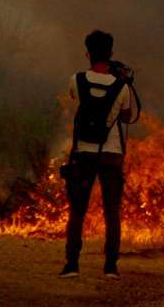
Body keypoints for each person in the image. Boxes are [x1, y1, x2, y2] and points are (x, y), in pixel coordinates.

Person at [58, 29, 139, 279]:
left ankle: (72, 265)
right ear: (111, 54)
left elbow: (75, 103)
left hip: (83, 152)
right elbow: (127, 117)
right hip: (111, 153)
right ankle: (110, 267)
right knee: (112, 212)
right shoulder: (122, 86)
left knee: (78, 210)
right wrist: (121, 80)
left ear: (88, 53)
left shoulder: (76, 80)